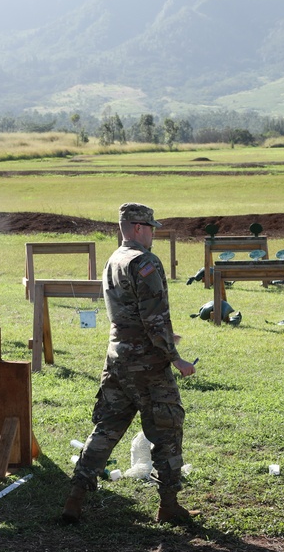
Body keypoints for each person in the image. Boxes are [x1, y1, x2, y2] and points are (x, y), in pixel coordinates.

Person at [62, 202, 198, 524]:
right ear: (138, 227)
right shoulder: (145, 261)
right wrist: (174, 357)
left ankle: (74, 499)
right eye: (151, 228)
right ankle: (168, 506)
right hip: (147, 362)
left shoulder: (114, 259)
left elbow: (131, 313)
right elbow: (155, 316)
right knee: (167, 429)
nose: (153, 235)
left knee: (106, 428)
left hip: (117, 356)